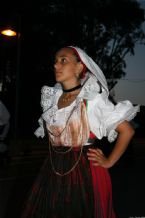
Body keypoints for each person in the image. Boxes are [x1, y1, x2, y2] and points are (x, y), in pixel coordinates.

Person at [21, 46, 139, 218]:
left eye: (63, 60)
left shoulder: (92, 100)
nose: (56, 65)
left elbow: (127, 131)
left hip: (85, 171)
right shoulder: (52, 100)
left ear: (79, 67)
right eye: (55, 61)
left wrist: (109, 161)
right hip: (53, 169)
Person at [0, 99, 10, 165]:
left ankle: (5, 159)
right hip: (3, 124)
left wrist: (3, 136)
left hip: (3, 125)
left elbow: (6, 122)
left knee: (2, 144)